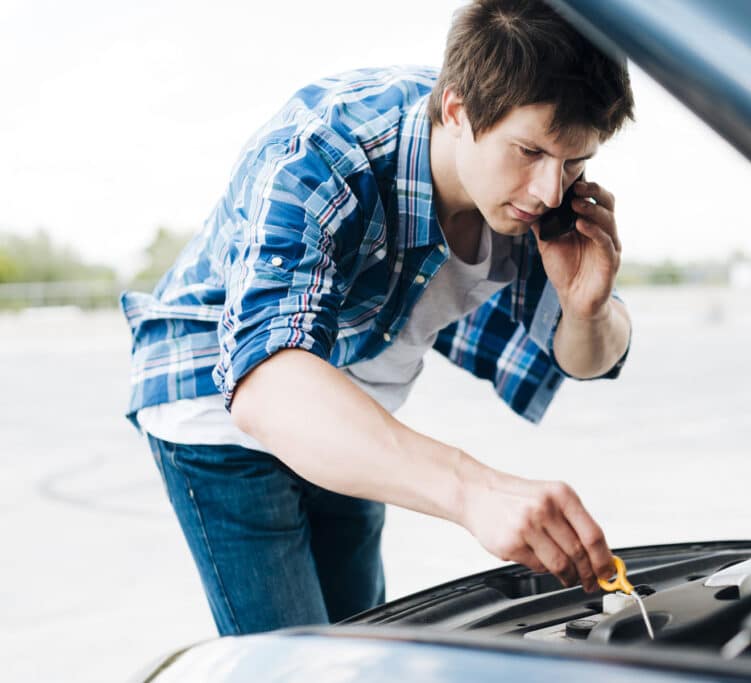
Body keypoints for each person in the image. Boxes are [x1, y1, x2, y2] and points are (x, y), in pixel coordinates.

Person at [121, 0, 635, 636]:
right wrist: (474, 489)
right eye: (529, 151)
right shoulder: (325, 146)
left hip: (354, 408)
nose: (548, 192)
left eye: (575, 161)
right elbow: (264, 383)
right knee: (298, 664)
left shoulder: (538, 196)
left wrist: (588, 308)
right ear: (457, 109)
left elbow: (584, 358)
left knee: (363, 646)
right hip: (220, 401)